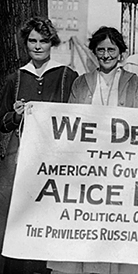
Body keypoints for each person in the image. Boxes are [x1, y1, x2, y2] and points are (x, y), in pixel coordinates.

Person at [46, 26, 138, 274]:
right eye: (100, 50)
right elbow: (71, 120)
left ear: (120, 52)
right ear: (94, 52)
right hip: (87, 165)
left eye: (111, 49)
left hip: (120, 162)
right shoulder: (82, 82)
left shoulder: (132, 82)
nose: (106, 54)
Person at [0, 16, 78, 274]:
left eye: (43, 41)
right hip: (23, 158)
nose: (37, 46)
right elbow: (2, 121)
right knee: (21, 214)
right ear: (25, 43)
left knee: (50, 214)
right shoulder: (16, 78)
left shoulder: (67, 75)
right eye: (32, 40)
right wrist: (16, 116)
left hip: (56, 159)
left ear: (51, 43)